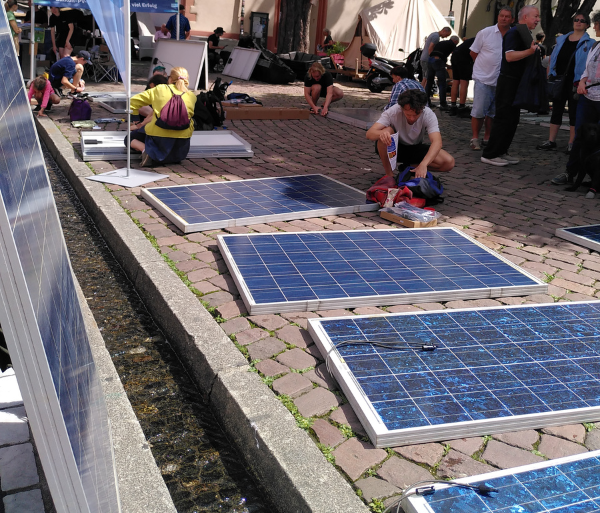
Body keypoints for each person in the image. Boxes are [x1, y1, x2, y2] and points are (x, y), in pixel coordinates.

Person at [481, 6, 541, 166]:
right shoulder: (514, 32)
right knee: (503, 118)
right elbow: (509, 56)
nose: (538, 19)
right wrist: (529, 52)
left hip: (516, 82)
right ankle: (490, 153)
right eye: (536, 16)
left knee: (512, 119)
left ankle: (501, 151)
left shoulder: (524, 33)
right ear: (525, 17)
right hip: (508, 81)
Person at [552, 11, 600, 186]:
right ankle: (570, 172)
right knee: (581, 135)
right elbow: (587, 68)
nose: (594, 27)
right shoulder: (595, 46)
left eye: (596, 24)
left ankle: (596, 178)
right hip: (588, 96)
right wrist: (583, 81)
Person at [366, 89, 455, 178]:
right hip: (396, 148)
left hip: (415, 148)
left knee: (449, 162)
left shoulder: (428, 114)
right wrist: (382, 134)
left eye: (416, 115)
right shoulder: (393, 111)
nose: (412, 118)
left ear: (422, 109)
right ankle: (389, 175)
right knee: (386, 131)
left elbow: (437, 142)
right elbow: (370, 133)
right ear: (402, 108)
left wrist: (424, 164)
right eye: (408, 115)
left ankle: (410, 167)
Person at [537, 12, 592, 153]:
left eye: (582, 20)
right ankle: (551, 140)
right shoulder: (562, 40)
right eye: (576, 20)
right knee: (556, 110)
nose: (578, 22)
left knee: (574, 112)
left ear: (587, 24)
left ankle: (571, 143)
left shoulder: (589, 43)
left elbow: (590, 64)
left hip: (576, 82)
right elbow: (553, 58)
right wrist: (550, 74)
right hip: (559, 79)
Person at [128, 67, 196, 167]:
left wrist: (135, 120)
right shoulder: (191, 95)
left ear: (170, 79)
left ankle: (146, 151)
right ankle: (169, 157)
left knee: (129, 137)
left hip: (158, 135)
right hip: (182, 142)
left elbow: (132, 102)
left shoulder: (160, 89)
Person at [469, 7, 514, 150]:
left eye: (507, 16)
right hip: (483, 78)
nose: (504, 18)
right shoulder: (485, 33)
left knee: (493, 112)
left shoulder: (513, 35)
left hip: (502, 80)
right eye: (502, 16)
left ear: (512, 19)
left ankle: (487, 137)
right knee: (479, 110)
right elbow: (473, 53)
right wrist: (483, 68)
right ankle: (475, 138)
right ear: (498, 17)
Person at [425, 35, 460, 110]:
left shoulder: (442, 42)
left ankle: (426, 102)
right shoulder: (452, 44)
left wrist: (446, 65)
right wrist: (454, 65)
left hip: (430, 60)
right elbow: (454, 55)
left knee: (429, 82)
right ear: (455, 41)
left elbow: (436, 53)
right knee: (442, 83)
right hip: (439, 61)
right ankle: (443, 104)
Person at [449, 37, 475, 117]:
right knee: (464, 82)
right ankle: (462, 107)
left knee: (456, 81)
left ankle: (453, 106)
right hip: (464, 58)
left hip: (454, 56)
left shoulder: (472, 39)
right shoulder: (482, 39)